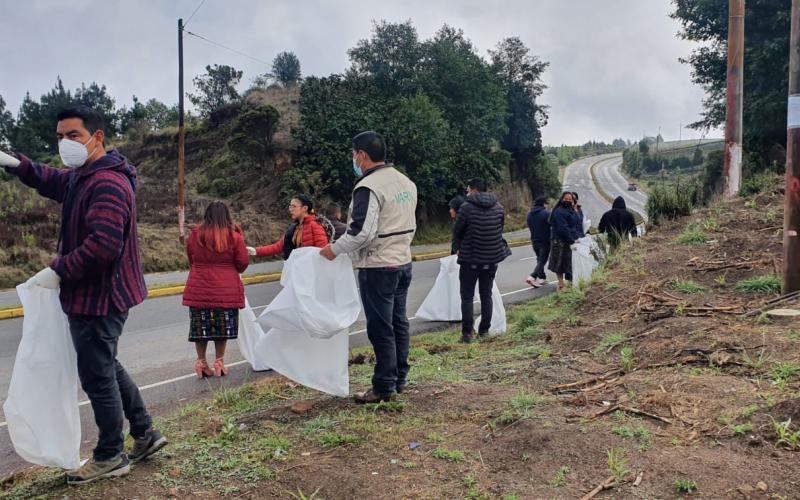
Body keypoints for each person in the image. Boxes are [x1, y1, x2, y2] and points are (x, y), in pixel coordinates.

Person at [1, 106, 165, 484]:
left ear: (97, 137)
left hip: (99, 297)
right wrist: (14, 163)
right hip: (101, 294)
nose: (64, 144)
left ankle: (110, 455)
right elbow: (54, 181)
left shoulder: (107, 183)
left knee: (97, 377)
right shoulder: (84, 176)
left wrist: (57, 270)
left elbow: (104, 246)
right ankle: (145, 433)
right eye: (59, 136)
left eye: (72, 135)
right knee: (106, 365)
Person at [320, 131, 417, 404]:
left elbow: (361, 232)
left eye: (354, 155)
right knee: (399, 323)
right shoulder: (406, 183)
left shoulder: (368, 186)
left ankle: (384, 386)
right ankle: (399, 379)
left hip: (378, 266)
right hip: (403, 261)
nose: (353, 160)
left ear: (361, 155)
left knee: (380, 327)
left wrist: (333, 250)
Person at [183, 201, 249, 378]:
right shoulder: (234, 237)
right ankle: (219, 363)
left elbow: (191, 258)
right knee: (222, 327)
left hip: (199, 287)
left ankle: (201, 362)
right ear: (226, 215)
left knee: (200, 327)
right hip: (225, 289)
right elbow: (242, 264)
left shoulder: (196, 234)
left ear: (207, 215)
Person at [452, 178, 511, 343]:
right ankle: (484, 331)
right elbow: (499, 229)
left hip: (470, 258)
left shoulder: (466, 208)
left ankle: (467, 334)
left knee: (467, 296)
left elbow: (458, 231)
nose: (467, 192)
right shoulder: (499, 207)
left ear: (474, 190)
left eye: (468, 189)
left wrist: (457, 247)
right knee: (486, 294)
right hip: (492, 259)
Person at [246, 194, 328, 259]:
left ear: (305, 208)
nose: (290, 209)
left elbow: (322, 251)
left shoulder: (315, 225)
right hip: (297, 269)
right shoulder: (294, 228)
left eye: (294, 206)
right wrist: (255, 251)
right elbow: (278, 247)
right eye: (290, 206)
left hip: (310, 271)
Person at [548, 192, 580, 291]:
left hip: (570, 240)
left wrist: (576, 238)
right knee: (559, 263)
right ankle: (561, 284)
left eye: (570, 199)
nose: (568, 201)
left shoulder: (571, 210)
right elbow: (563, 228)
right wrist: (571, 240)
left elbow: (576, 224)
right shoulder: (558, 211)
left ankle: (570, 283)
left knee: (569, 263)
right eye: (566, 199)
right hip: (560, 241)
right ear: (562, 199)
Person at [526, 197, 550, 288]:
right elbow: (552, 224)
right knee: (542, 260)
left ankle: (541, 278)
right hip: (545, 241)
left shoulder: (529, 215)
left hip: (534, 240)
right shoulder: (546, 214)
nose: (547, 205)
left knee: (539, 259)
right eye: (546, 203)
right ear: (543, 204)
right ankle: (532, 276)